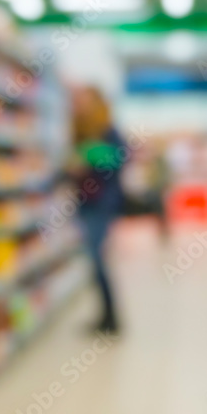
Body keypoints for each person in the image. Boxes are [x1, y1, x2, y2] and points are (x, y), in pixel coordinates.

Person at [70, 86, 125, 335]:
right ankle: (105, 315)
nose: (80, 104)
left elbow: (119, 160)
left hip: (102, 202)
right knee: (94, 259)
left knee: (97, 257)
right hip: (85, 202)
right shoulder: (78, 131)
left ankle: (111, 317)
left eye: (85, 99)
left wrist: (90, 157)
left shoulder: (107, 130)